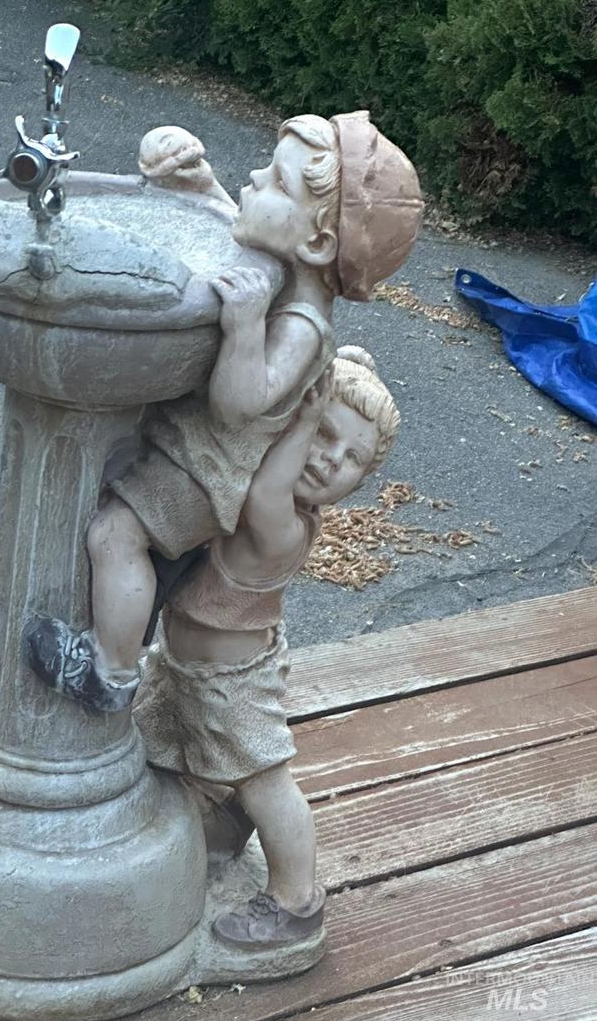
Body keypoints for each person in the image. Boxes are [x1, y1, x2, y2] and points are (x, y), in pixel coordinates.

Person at [25, 112, 421, 712]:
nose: (255, 178)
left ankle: (109, 670)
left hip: (204, 475)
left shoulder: (303, 327)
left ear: (317, 243)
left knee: (114, 534)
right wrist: (200, 183)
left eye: (276, 182)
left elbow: (239, 405)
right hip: (192, 455)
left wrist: (243, 326)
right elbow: (248, 235)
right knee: (119, 531)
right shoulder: (289, 274)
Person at [133, 348, 400, 947]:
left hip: (230, 680)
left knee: (265, 781)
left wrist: (302, 422)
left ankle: (295, 901)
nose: (331, 460)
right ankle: (224, 827)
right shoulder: (273, 492)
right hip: (189, 665)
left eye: (352, 459)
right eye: (325, 434)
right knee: (161, 738)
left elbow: (261, 495)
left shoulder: (284, 526)